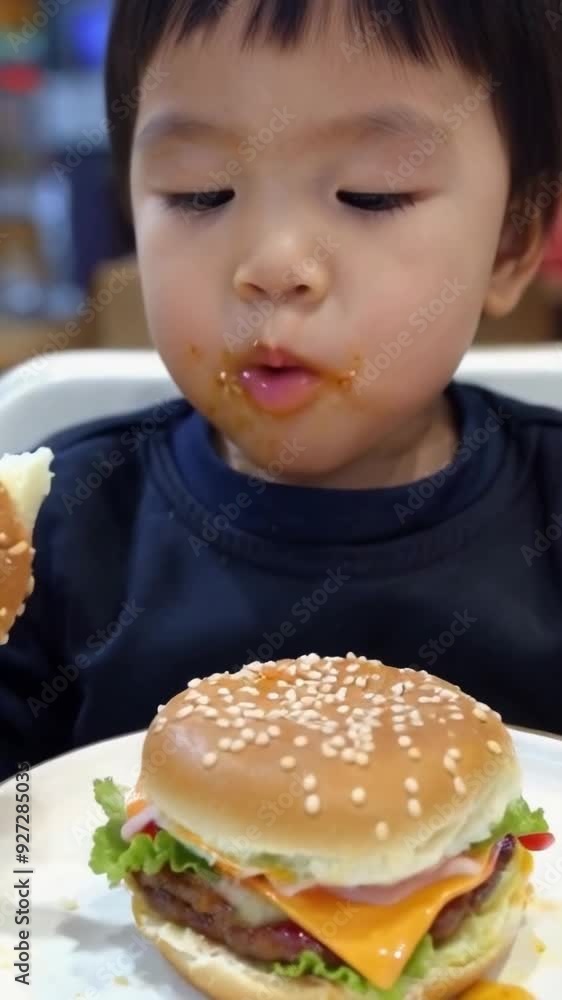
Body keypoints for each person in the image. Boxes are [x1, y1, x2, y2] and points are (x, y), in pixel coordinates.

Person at [1, 0, 561, 782]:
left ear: (512, 242)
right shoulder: (60, 531)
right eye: (199, 194)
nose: (272, 264)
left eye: (371, 194)